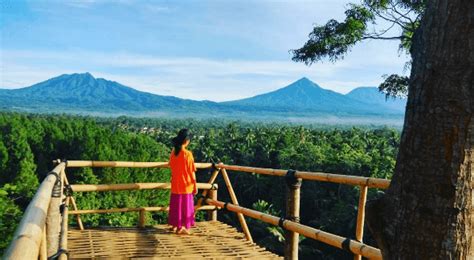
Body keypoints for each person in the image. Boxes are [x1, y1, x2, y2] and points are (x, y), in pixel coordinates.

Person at [168, 128, 197, 235]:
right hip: (186, 184)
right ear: (186, 140)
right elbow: (192, 172)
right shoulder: (187, 154)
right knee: (185, 206)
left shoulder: (174, 152)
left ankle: (176, 225)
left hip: (176, 183)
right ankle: (182, 227)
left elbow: (171, 165)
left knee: (176, 205)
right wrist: (195, 185)